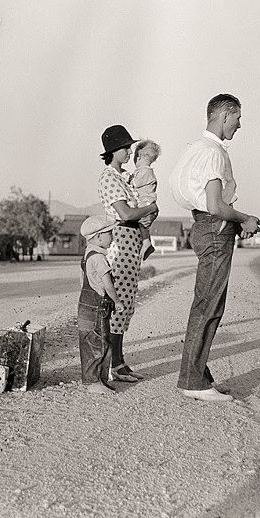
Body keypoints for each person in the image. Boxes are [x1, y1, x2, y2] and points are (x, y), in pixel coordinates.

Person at [169, 94, 260, 402]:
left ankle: (198, 374)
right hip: (214, 227)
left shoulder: (197, 149)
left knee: (206, 302)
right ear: (224, 115)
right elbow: (215, 205)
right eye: (237, 118)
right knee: (209, 304)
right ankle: (192, 380)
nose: (239, 124)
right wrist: (245, 218)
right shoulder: (214, 153)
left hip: (204, 226)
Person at [97, 125, 159, 383]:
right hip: (120, 240)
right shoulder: (109, 177)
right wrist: (151, 208)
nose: (129, 151)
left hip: (131, 241)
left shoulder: (126, 177)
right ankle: (114, 364)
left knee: (126, 303)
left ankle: (119, 362)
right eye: (124, 147)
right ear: (112, 151)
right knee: (118, 304)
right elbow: (125, 213)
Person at [77, 215, 124, 395]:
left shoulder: (87, 254)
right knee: (99, 343)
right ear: (98, 237)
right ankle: (93, 381)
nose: (112, 236)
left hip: (85, 304)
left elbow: (82, 281)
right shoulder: (99, 258)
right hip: (96, 306)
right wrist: (117, 301)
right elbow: (107, 283)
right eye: (109, 233)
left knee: (92, 341)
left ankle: (99, 379)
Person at [130, 139, 162, 261]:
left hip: (146, 204)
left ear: (140, 157)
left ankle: (146, 242)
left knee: (141, 224)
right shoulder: (145, 171)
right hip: (148, 204)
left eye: (136, 158)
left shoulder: (145, 171)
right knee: (142, 225)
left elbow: (135, 183)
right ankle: (146, 242)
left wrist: (128, 179)